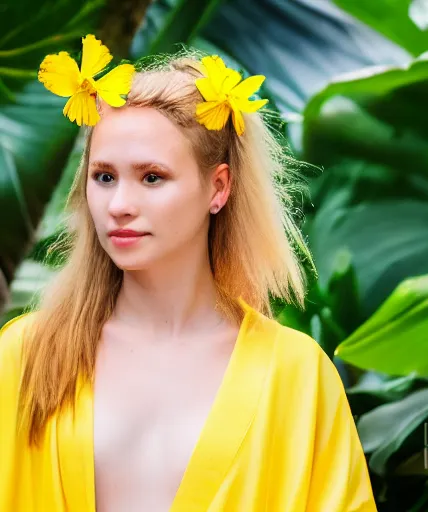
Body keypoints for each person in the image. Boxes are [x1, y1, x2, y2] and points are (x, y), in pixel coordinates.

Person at [0, 35, 377, 511]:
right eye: (104, 176)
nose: (119, 205)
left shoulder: (296, 374)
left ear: (218, 188)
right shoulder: (26, 356)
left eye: (152, 177)